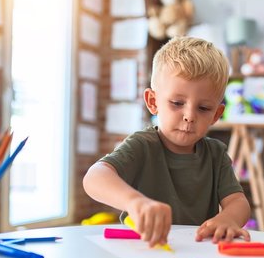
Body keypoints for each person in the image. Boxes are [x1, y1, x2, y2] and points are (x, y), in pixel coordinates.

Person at [83, 36, 251, 247]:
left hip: (197, 251)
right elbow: (94, 178)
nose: (189, 116)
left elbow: (238, 202)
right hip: (144, 249)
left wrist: (228, 219)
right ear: (153, 102)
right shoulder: (142, 145)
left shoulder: (216, 154)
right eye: (177, 103)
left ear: (216, 115)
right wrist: (135, 202)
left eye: (204, 108)